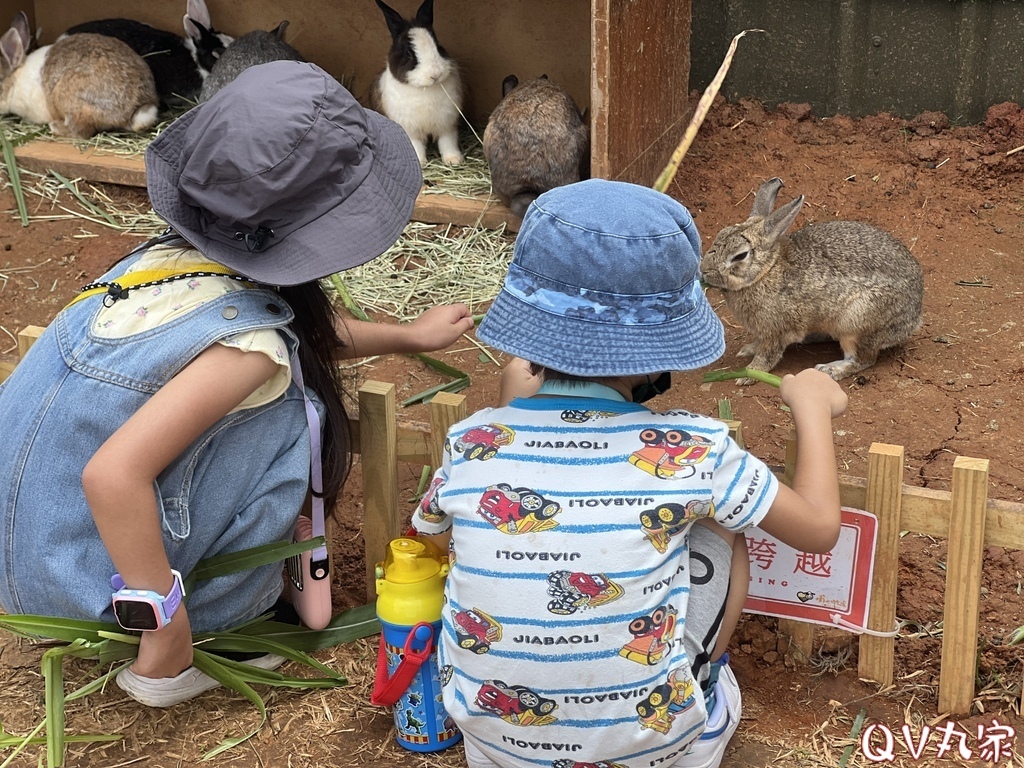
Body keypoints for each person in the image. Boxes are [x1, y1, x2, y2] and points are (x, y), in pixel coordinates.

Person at [0, 60, 473, 707]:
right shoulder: (253, 352)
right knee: (292, 413)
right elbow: (111, 475)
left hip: (24, 557)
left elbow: (279, 329)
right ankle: (217, 615)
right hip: (90, 590)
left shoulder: (156, 267)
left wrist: (407, 336)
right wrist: (164, 628)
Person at [412, 179, 848, 768]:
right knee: (721, 525)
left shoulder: (472, 440)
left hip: (495, 745)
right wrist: (813, 408)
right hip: (650, 747)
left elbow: (433, 524)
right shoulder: (694, 450)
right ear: (663, 348)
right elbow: (819, 528)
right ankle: (706, 707)